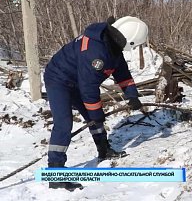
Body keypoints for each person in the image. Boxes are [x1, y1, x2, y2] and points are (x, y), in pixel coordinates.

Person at [43, 16, 148, 191]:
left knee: (94, 116)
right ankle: (55, 172)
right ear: (129, 41)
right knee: (64, 123)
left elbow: (123, 74)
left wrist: (132, 96)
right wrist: (97, 114)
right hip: (58, 79)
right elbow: (89, 90)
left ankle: (103, 149)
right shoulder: (96, 53)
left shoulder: (112, 46)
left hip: (78, 81)